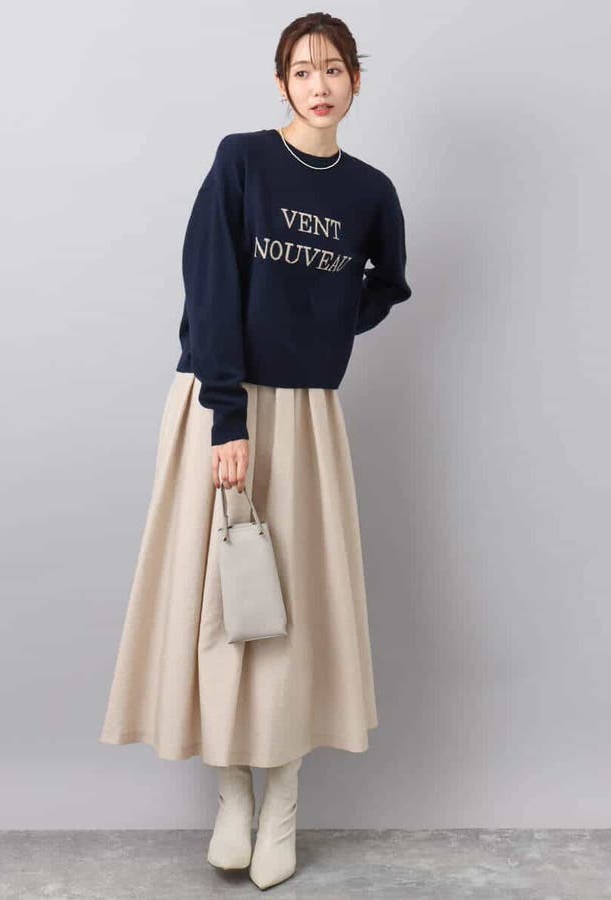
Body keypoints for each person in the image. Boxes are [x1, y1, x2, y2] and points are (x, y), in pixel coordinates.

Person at [99, 12, 412, 890]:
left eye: (334, 69)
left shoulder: (371, 191)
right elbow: (209, 285)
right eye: (302, 70)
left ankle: (283, 804)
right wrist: (228, 418)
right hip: (222, 401)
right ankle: (232, 795)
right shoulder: (242, 161)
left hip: (307, 416)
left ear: (356, 81)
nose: (319, 85)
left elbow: (387, 283)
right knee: (220, 604)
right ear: (281, 84)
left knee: (291, 605)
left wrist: (322, 331)